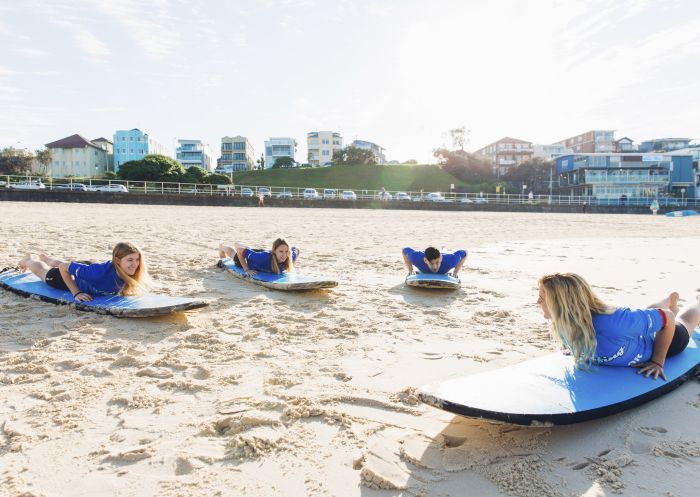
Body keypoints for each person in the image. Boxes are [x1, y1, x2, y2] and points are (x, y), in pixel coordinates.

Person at [537, 272, 700, 380]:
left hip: (661, 341)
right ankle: (668, 300)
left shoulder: (614, 323)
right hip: (630, 334)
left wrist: (657, 361)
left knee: (686, 320)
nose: (537, 302)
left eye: (542, 298)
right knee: (644, 315)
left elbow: (669, 318)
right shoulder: (563, 322)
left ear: (562, 303)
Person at [17, 242, 148, 302]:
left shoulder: (129, 271)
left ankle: (48, 259)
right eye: (130, 260)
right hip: (74, 279)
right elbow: (63, 268)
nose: (135, 264)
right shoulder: (98, 273)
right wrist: (76, 293)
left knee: (72, 267)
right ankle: (29, 260)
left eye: (137, 259)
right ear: (118, 261)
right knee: (45, 273)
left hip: (87, 269)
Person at [219, 238, 300, 275]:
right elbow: (240, 251)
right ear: (274, 251)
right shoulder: (262, 258)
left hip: (261, 252)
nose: (284, 255)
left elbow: (296, 249)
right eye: (281, 251)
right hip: (250, 261)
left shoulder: (289, 258)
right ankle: (222, 247)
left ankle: (238, 244)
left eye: (286, 251)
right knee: (234, 254)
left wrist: (292, 264)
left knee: (247, 249)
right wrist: (246, 269)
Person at [402, 246, 467, 277]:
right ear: (425, 260)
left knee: (444, 251)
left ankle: (444, 248)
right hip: (425, 253)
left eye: (437, 262)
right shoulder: (415, 258)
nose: (435, 267)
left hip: (444, 254)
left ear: (441, 258)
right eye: (431, 263)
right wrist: (410, 270)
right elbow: (404, 250)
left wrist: (455, 272)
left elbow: (465, 253)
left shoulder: (451, 260)